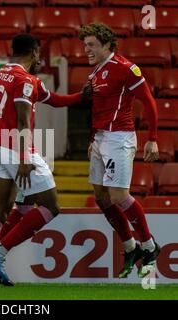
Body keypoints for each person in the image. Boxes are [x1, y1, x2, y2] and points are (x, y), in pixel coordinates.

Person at [0, 33, 84, 287]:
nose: (40, 58)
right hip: (16, 149)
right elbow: (22, 121)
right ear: (34, 52)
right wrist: (26, 157)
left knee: (0, 211)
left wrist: (83, 96)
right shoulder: (24, 80)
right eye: (39, 54)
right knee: (51, 207)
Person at [79, 23, 160, 278]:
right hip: (101, 139)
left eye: (91, 45)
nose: (86, 50)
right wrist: (93, 139)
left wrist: (152, 138)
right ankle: (130, 246)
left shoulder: (126, 69)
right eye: (85, 45)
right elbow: (97, 110)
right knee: (102, 198)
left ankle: (149, 245)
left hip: (120, 138)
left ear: (107, 45)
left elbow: (149, 102)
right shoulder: (95, 73)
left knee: (118, 196)